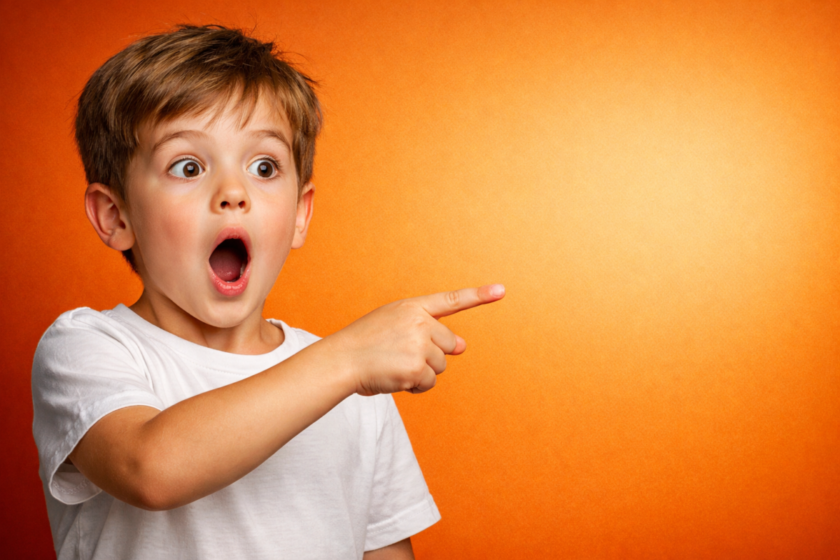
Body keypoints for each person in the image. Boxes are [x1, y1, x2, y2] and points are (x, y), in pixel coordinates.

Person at [31, 24, 504, 560]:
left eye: (264, 167)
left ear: (300, 215)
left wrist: (349, 366)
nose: (233, 193)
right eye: (189, 167)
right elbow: (150, 469)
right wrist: (347, 360)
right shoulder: (88, 346)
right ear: (116, 216)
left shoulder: (355, 386)